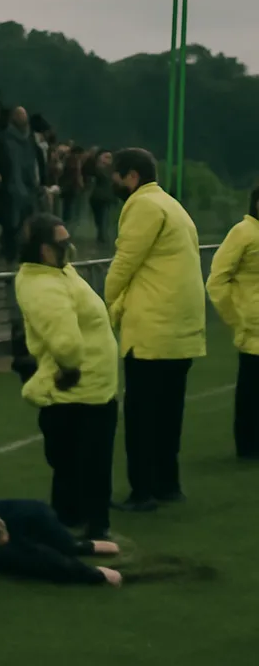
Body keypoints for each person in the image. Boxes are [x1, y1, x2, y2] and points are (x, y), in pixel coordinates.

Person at [104, 148, 206, 511]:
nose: (112, 182)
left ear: (131, 176)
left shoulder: (143, 206)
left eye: (116, 175)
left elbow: (124, 263)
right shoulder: (173, 206)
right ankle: (168, 484)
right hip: (182, 329)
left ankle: (143, 491)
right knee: (168, 414)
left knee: (143, 416)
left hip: (152, 331)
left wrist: (106, 306)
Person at [14, 214, 120, 539]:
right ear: (44, 250)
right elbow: (67, 343)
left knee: (81, 465)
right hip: (75, 390)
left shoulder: (58, 273)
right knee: (82, 465)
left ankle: (76, 524)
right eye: (62, 242)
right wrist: (71, 369)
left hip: (91, 388)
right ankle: (85, 529)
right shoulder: (42, 284)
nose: (69, 246)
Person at [205, 186, 259, 460]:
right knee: (251, 389)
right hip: (253, 326)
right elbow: (216, 280)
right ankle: (248, 446)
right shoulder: (243, 232)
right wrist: (236, 317)